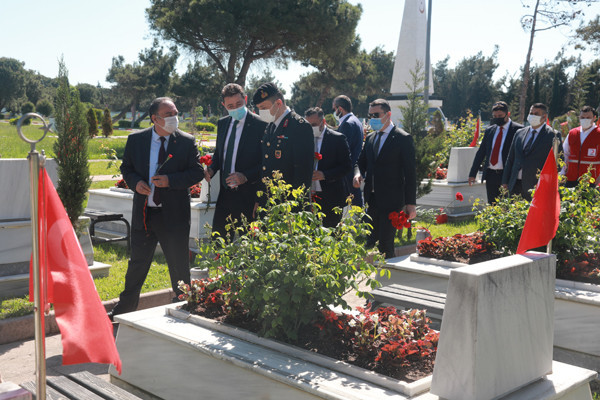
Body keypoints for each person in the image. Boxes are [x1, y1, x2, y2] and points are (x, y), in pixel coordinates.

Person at [109, 97, 203, 320]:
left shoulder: (186, 141)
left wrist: (171, 180)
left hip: (174, 216)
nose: (174, 118)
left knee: (179, 266)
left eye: (175, 113)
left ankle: (184, 309)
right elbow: (127, 168)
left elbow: (197, 172)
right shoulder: (137, 140)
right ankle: (123, 312)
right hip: (144, 214)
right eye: (169, 114)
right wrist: (135, 183)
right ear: (155, 119)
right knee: (137, 266)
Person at [353, 99, 417, 259]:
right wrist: (358, 173)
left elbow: (410, 173)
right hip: (372, 198)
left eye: (376, 115)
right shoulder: (370, 138)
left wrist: (410, 204)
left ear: (388, 114)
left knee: (386, 244)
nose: (372, 119)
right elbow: (360, 162)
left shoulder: (402, 138)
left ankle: (390, 272)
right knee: (370, 240)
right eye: (370, 115)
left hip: (392, 200)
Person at [204, 84, 267, 239]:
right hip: (225, 195)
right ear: (224, 105)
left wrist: (245, 176)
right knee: (219, 241)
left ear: (245, 99)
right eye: (230, 106)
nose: (235, 108)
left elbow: (266, 163)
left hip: (249, 196)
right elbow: (219, 154)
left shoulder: (261, 125)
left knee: (251, 244)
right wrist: (211, 169)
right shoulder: (222, 123)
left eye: (239, 104)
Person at [252, 82, 313, 190]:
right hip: (270, 195)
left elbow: (303, 172)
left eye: (263, 107)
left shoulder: (299, 126)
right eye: (259, 108)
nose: (261, 112)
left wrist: (292, 199)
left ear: (278, 103)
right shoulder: (270, 125)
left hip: (287, 196)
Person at [502, 103, 562, 201]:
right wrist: (505, 181)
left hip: (536, 186)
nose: (532, 116)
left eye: (536, 114)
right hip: (515, 184)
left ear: (544, 117)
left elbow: (558, 162)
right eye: (531, 113)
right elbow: (511, 158)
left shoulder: (552, 135)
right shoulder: (519, 133)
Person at [305, 107, 352, 228]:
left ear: (323, 122)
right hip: (309, 196)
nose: (311, 128)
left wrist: (325, 175)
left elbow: (346, 166)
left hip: (331, 196)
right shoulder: (304, 139)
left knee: (331, 232)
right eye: (308, 125)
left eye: (314, 124)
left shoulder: (337, 139)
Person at [468, 101, 523, 204]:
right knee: (492, 205)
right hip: (491, 175)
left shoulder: (518, 130)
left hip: (508, 175)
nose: (497, 118)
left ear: (508, 114)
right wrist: (472, 173)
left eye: (500, 116)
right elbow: (481, 153)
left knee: (508, 206)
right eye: (495, 116)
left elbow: (520, 155)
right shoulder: (490, 130)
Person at [332, 95, 364, 207]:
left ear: (340, 109)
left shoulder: (347, 124)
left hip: (347, 173)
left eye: (334, 109)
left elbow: (342, 150)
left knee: (353, 206)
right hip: (352, 170)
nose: (334, 112)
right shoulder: (355, 121)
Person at [562, 105, 600, 187]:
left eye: (588, 117)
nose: (585, 120)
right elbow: (565, 154)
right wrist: (562, 173)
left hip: (591, 180)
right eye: (582, 117)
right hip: (570, 178)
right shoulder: (572, 133)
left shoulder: (598, 134)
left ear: (594, 118)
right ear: (579, 118)